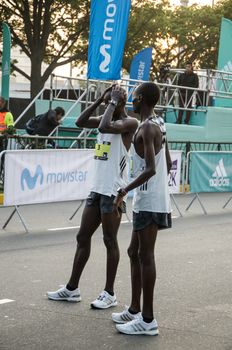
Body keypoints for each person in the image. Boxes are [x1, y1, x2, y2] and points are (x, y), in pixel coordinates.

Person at [47, 85, 138, 308]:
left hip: (113, 192)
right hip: (96, 189)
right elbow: (79, 122)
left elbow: (106, 125)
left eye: (111, 103)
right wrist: (100, 99)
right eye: (107, 104)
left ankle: (109, 293)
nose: (108, 107)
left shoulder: (129, 123)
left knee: (109, 241)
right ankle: (72, 288)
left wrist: (114, 102)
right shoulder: (106, 116)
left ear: (120, 103)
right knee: (82, 237)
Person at [111, 82, 172, 336]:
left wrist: (124, 189)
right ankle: (135, 309)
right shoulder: (160, 123)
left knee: (146, 256)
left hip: (149, 200)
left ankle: (148, 320)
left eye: (134, 97)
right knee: (133, 251)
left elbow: (152, 168)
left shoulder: (147, 127)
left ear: (142, 99)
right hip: (150, 198)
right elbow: (167, 161)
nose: (132, 101)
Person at [0, 96, 15, 180]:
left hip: (2, 140)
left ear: (3, 103)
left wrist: (6, 133)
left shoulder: (8, 114)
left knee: (1, 160)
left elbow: (10, 127)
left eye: (1, 102)